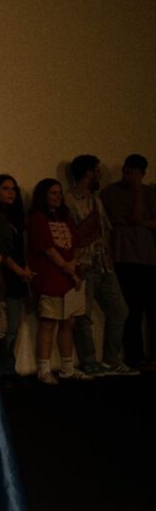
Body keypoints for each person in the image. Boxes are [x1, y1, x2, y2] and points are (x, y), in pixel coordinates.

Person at [65, 155, 134, 376]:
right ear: (88, 173)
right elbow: (71, 235)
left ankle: (111, 359)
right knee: (83, 316)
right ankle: (89, 360)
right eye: (97, 171)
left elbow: (104, 231)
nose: (100, 175)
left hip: (104, 264)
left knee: (120, 310)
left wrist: (110, 260)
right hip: (84, 265)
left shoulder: (96, 199)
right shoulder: (69, 200)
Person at [27, 178, 91, 384]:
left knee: (69, 323)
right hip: (50, 277)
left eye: (59, 193)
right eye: (53, 193)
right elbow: (47, 247)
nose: (58, 197)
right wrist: (67, 267)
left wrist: (73, 266)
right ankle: (44, 370)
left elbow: (76, 244)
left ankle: (67, 367)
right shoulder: (38, 217)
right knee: (48, 322)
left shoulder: (65, 217)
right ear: (43, 195)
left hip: (69, 279)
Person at [100, 154, 156, 370]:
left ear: (143, 173)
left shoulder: (150, 193)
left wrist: (143, 220)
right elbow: (133, 218)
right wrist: (136, 193)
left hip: (148, 257)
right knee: (132, 309)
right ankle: (135, 356)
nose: (129, 175)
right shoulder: (110, 193)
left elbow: (142, 220)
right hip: (124, 256)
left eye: (135, 172)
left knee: (151, 309)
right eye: (127, 170)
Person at [0, 174, 34, 376]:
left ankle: (7, 369)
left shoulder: (14, 216)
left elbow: (16, 247)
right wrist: (20, 270)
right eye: (5, 189)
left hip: (14, 278)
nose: (10, 193)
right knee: (3, 328)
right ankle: (1, 371)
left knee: (12, 327)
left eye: (13, 189)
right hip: (1, 276)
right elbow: (2, 250)